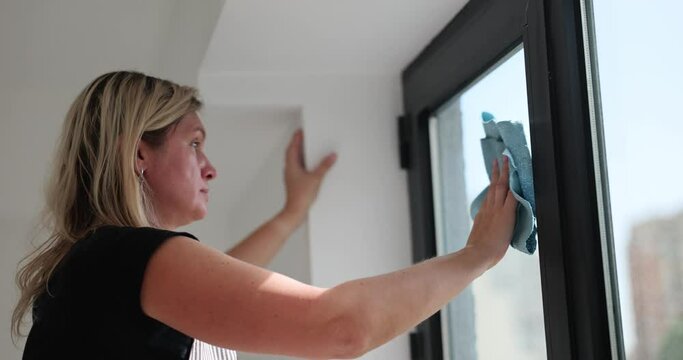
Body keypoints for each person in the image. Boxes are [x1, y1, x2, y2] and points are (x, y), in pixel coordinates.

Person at [12, 71, 518, 359]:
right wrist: (476, 256)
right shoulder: (122, 258)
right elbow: (342, 326)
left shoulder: (99, 269)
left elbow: (225, 283)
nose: (210, 169)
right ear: (138, 154)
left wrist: (293, 211)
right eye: (194, 143)